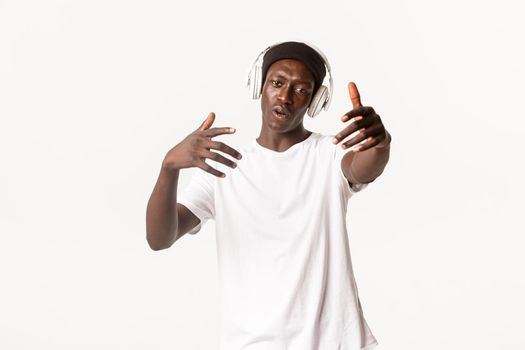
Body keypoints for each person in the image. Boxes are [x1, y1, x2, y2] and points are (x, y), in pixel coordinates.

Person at [145, 41, 391, 350]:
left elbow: (363, 168)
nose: (286, 97)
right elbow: (159, 238)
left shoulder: (327, 154)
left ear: (315, 101)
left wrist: (379, 144)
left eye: (301, 90)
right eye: (277, 83)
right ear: (260, 85)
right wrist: (168, 168)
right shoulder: (225, 167)